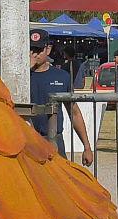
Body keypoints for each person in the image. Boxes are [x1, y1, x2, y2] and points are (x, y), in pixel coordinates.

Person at [24, 29, 92, 163]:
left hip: (53, 139)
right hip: (28, 140)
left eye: (38, 50)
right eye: (30, 49)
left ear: (48, 49)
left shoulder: (62, 77)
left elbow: (74, 113)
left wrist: (87, 147)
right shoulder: (20, 77)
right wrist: (25, 70)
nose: (34, 55)